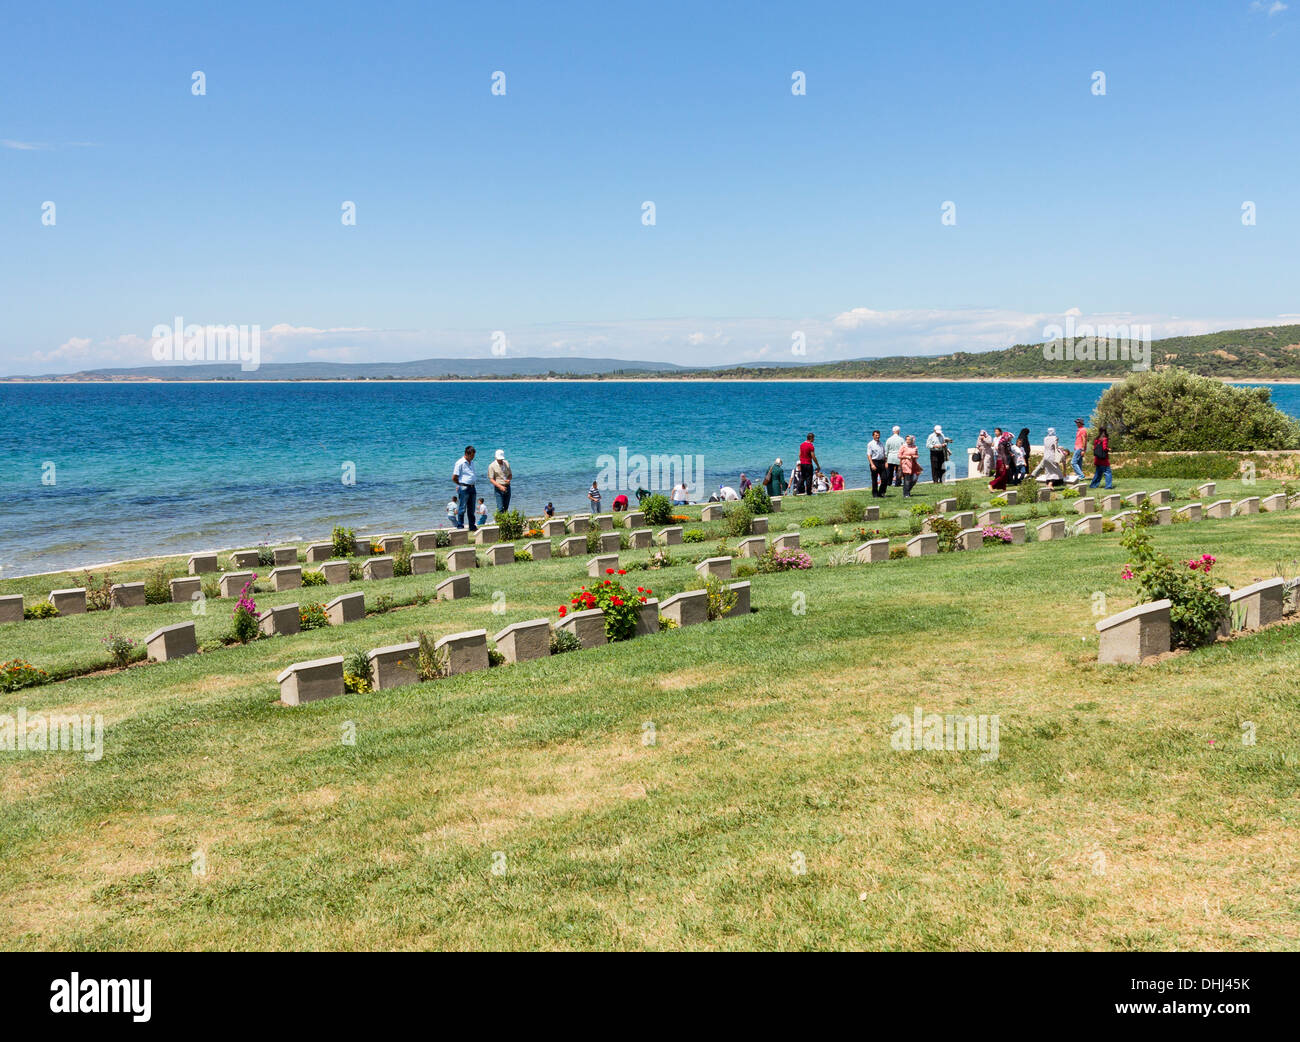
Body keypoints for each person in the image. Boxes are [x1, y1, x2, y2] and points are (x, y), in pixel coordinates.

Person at [452, 445, 478, 531]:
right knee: (462, 508)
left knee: (472, 508)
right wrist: (460, 485)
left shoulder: (472, 462)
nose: (473, 458)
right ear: (467, 454)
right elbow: (454, 477)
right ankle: (460, 525)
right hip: (464, 487)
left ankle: (472, 525)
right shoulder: (460, 463)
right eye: (472, 456)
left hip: (472, 487)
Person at [488, 449, 512, 513]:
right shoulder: (491, 466)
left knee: (506, 507)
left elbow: (510, 474)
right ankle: (499, 521)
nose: (500, 460)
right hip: (498, 488)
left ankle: (504, 521)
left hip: (507, 487)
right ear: (495, 457)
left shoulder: (506, 463)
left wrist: (509, 479)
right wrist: (500, 487)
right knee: (500, 507)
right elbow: (491, 479)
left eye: (501, 459)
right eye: (499, 459)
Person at [867, 431, 887, 497]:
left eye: (878, 435)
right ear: (873, 436)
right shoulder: (870, 444)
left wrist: (886, 462)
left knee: (884, 478)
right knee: (874, 479)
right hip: (874, 462)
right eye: (876, 435)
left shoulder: (881, 444)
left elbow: (884, 453)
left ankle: (881, 492)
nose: (877, 436)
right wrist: (872, 464)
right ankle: (875, 494)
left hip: (881, 462)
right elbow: (869, 455)